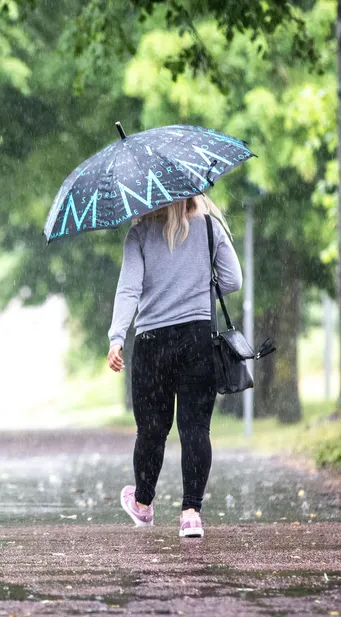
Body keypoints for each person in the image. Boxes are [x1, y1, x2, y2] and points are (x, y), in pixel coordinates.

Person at [106, 194, 242, 538]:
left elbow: (129, 290)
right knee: (196, 428)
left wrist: (117, 337)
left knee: (152, 430)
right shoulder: (210, 226)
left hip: (153, 342)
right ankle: (191, 513)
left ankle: (143, 503)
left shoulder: (139, 234)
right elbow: (233, 281)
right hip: (198, 337)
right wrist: (198, 288)